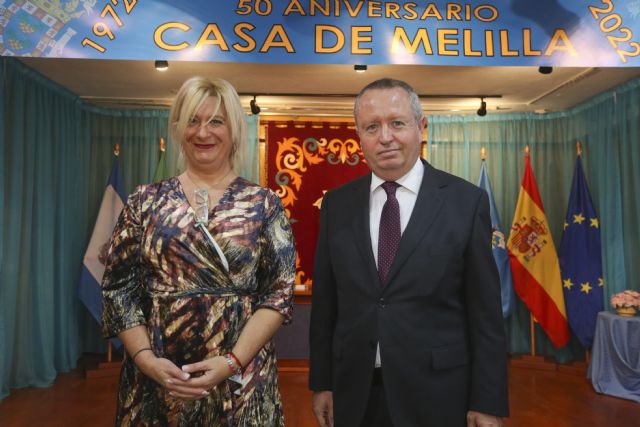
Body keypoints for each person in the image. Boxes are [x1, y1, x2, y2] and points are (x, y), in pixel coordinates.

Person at [309, 78, 509, 427]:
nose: (385, 137)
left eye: (397, 123)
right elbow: (326, 305)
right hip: (354, 393)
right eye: (372, 127)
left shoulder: (466, 202)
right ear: (359, 136)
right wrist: (322, 381)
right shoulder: (336, 205)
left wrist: (487, 401)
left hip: (438, 394)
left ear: (421, 126)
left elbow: (485, 314)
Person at [101, 76, 296, 426]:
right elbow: (118, 290)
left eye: (216, 121)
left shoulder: (264, 204)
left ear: (234, 129)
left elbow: (278, 295)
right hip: (158, 377)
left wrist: (232, 362)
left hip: (241, 377)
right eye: (193, 120)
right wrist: (146, 360)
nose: (203, 132)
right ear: (178, 129)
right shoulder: (144, 202)